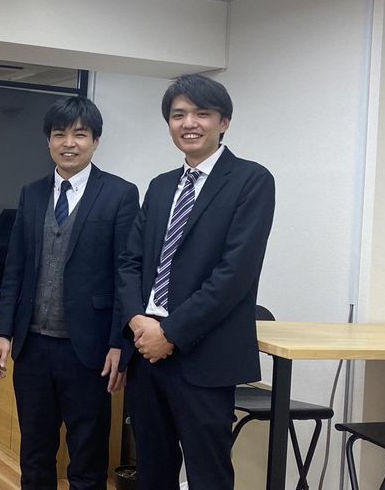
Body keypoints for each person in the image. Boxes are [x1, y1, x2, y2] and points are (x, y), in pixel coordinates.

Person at [117, 74, 275, 490]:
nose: (189, 123)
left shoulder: (251, 180)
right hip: (146, 352)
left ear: (224, 122)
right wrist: (137, 320)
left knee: (208, 476)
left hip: (203, 355)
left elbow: (234, 274)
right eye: (178, 114)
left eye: (202, 113)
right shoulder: (160, 186)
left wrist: (170, 332)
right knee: (151, 472)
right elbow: (130, 262)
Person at [0, 96, 140, 490]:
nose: (69, 143)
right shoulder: (32, 193)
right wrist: (2, 332)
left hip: (89, 350)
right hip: (33, 347)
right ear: (49, 141)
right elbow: (15, 269)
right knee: (35, 455)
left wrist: (119, 343)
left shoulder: (120, 194)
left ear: (96, 141)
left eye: (80, 134)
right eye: (60, 134)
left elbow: (126, 274)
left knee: (88, 458)